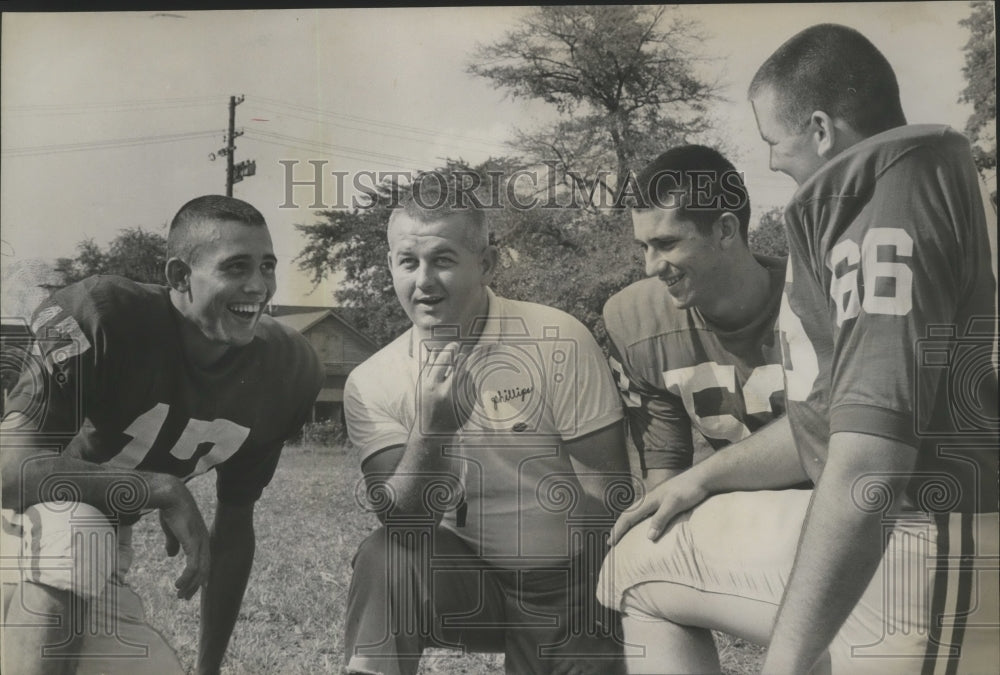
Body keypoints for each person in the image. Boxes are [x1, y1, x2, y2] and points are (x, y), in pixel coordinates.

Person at [600, 23, 998, 675]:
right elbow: (840, 420)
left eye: (773, 142)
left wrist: (785, 657)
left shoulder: (888, 213)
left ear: (819, 130)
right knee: (645, 549)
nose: (773, 163)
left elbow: (869, 458)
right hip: (928, 531)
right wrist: (700, 477)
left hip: (937, 545)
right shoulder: (921, 181)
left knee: (645, 566)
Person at [1, 195, 323, 674]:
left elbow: (235, 525)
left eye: (267, 266)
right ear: (178, 277)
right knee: (76, 527)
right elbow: (10, 474)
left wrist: (208, 668)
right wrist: (158, 487)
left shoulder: (288, 366)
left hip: (95, 563)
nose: (257, 286)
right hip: (20, 532)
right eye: (236, 267)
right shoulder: (105, 313)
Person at [342, 170, 631, 675]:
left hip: (569, 581)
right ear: (389, 264)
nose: (424, 282)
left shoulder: (555, 338)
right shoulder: (373, 380)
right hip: (467, 581)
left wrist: (574, 622)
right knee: (385, 554)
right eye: (408, 262)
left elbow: (604, 497)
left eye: (444, 260)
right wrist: (433, 429)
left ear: (487, 263)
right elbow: (406, 525)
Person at [604, 144, 788, 492]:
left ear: (725, 231)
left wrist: (708, 477)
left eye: (667, 243)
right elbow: (665, 478)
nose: (651, 267)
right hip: (739, 516)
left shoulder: (820, 297)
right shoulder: (636, 321)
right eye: (644, 246)